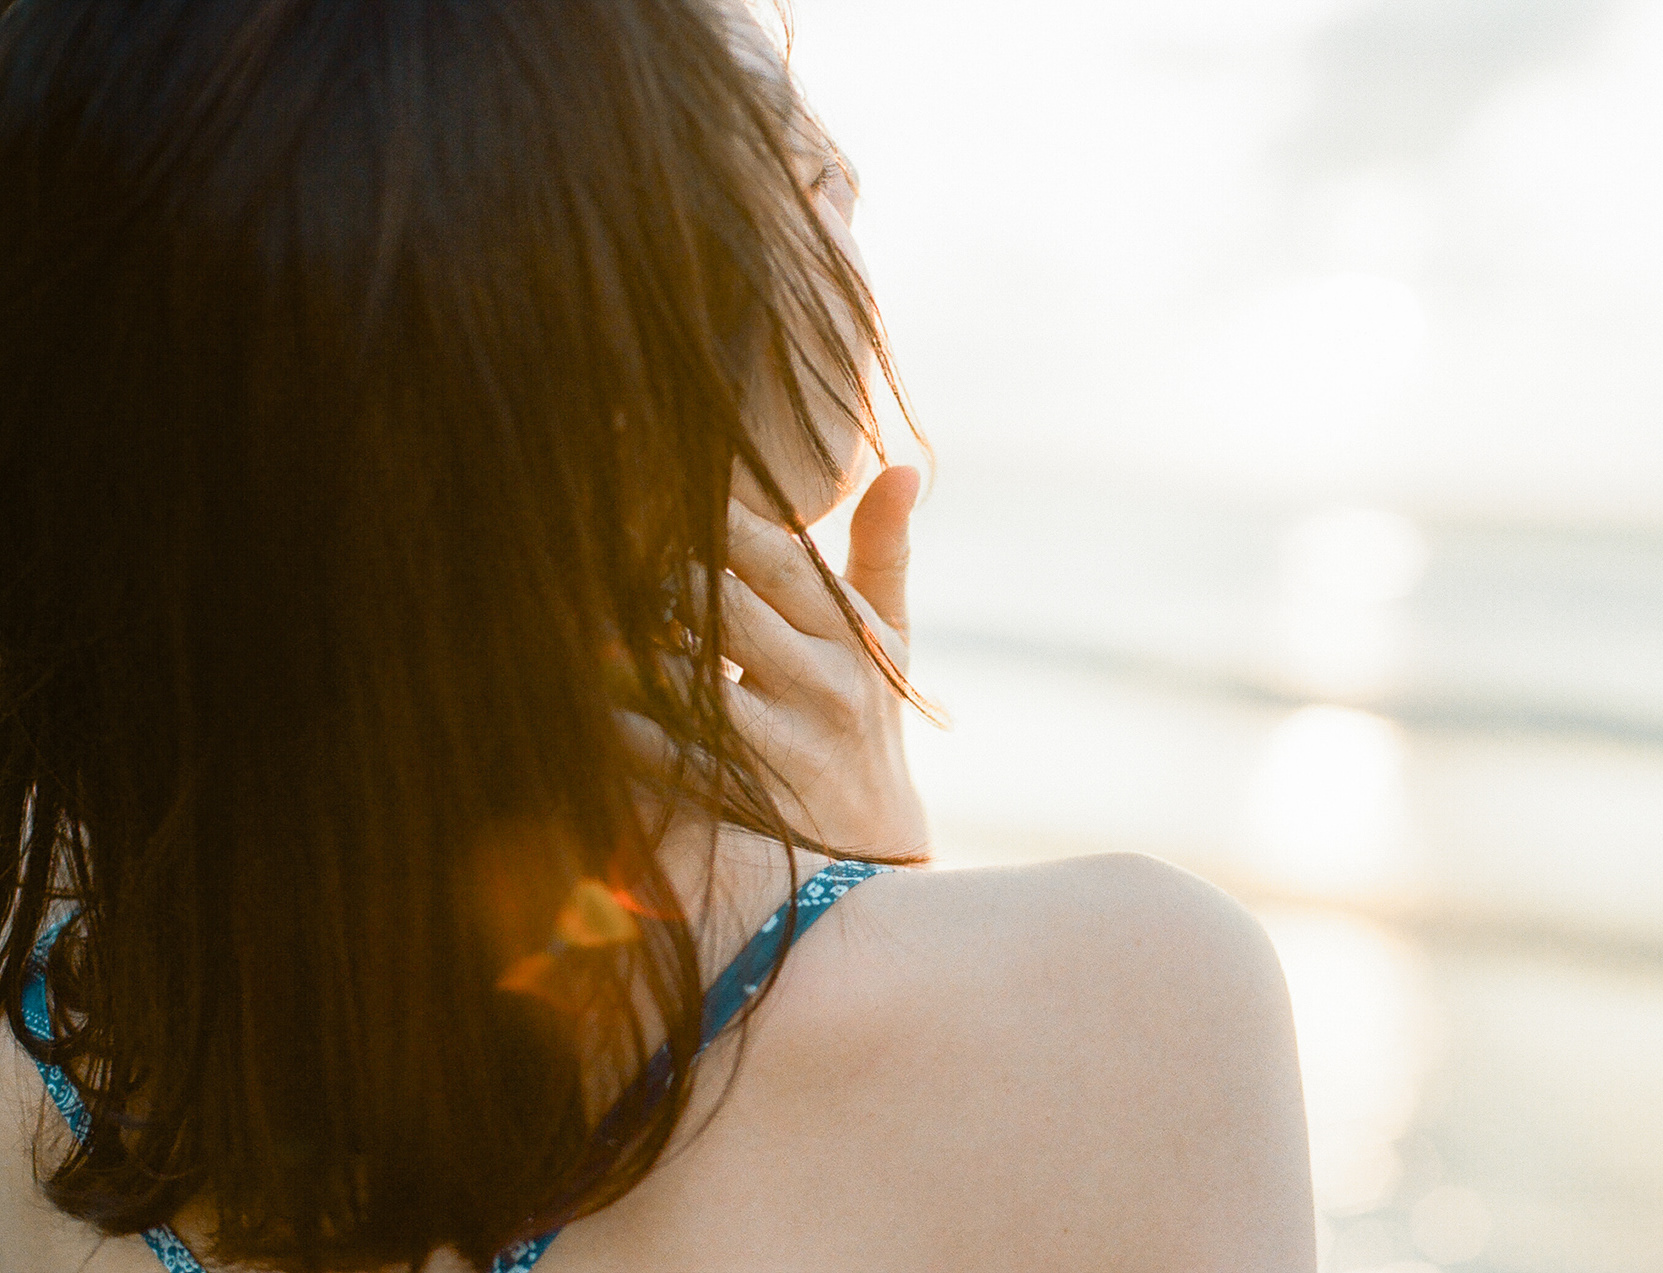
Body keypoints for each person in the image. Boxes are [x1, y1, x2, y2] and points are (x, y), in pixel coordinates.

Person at [0, 0, 1315, 1269]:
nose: (844, 174)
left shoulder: (38, 1074)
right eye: (790, 152)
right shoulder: (1135, 1006)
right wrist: (866, 907)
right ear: (582, 338)